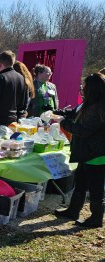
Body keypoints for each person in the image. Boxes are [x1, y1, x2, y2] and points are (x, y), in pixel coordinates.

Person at [54, 73, 105, 228]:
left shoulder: (98, 107)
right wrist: (59, 113)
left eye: (84, 86)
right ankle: (73, 210)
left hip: (96, 154)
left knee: (95, 188)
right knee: (80, 183)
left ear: (92, 89)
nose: (82, 88)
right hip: (86, 152)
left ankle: (96, 219)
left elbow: (83, 130)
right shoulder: (89, 103)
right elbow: (75, 113)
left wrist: (63, 123)